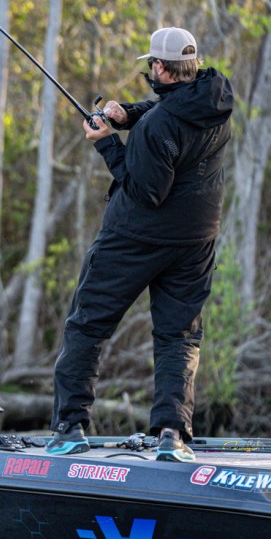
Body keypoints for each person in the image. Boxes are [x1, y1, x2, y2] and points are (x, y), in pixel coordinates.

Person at [45, 27, 234, 462]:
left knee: (87, 326)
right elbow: (171, 112)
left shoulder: (158, 127)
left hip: (135, 239)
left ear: (162, 68)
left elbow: (146, 191)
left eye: (151, 64)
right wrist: (127, 114)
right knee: (179, 336)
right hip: (195, 242)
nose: (150, 70)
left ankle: (70, 427)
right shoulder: (215, 100)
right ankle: (172, 435)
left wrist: (107, 144)